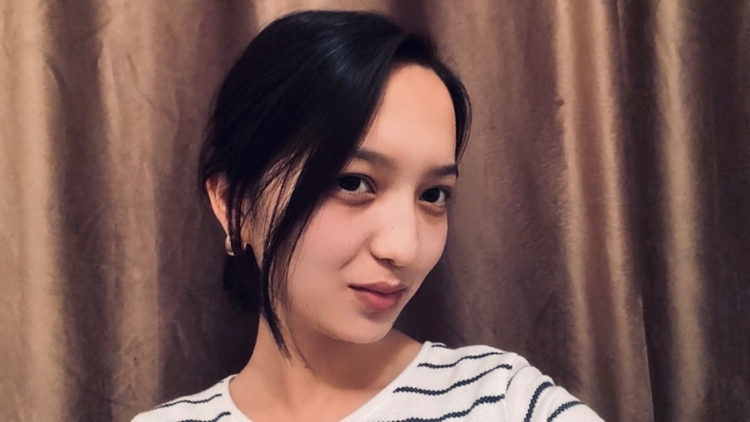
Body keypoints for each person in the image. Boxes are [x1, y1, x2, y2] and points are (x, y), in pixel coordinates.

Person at [132, 10, 603, 422]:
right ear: (235, 205)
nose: (405, 248)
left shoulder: (504, 401)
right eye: (353, 183)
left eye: (433, 195)